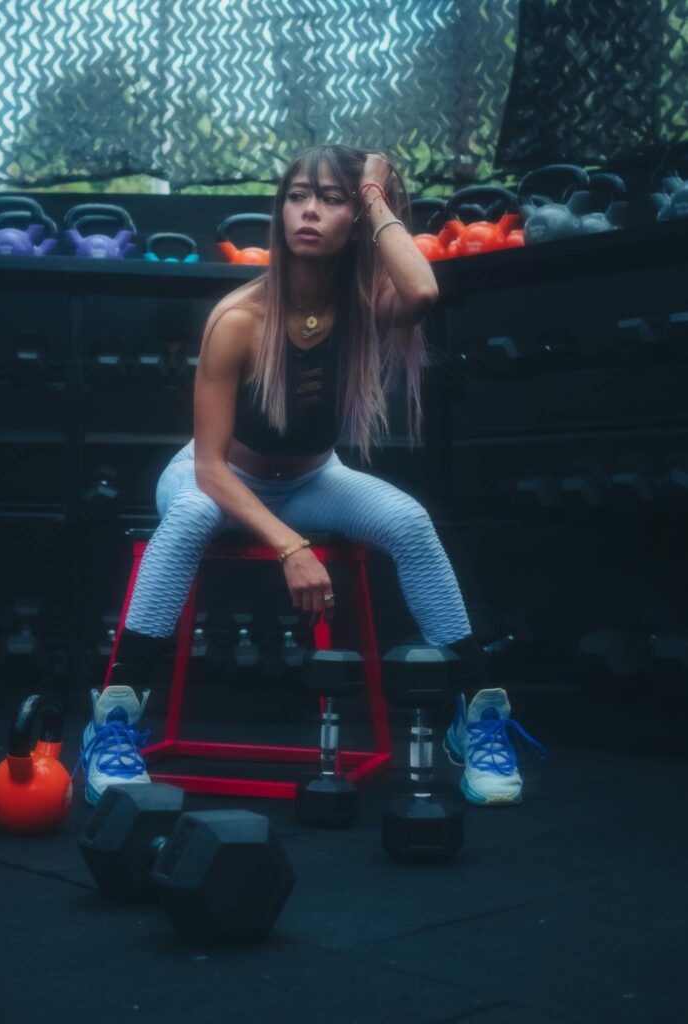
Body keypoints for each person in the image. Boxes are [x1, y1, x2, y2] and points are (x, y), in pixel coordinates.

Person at [77, 144, 545, 808]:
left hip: (313, 479)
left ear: (355, 218)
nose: (309, 211)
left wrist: (374, 195)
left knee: (410, 522)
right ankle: (113, 721)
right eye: (297, 196)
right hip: (217, 478)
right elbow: (208, 467)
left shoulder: (363, 305)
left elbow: (422, 291)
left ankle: (476, 714)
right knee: (191, 515)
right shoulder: (238, 319)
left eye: (331, 199)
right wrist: (289, 545)